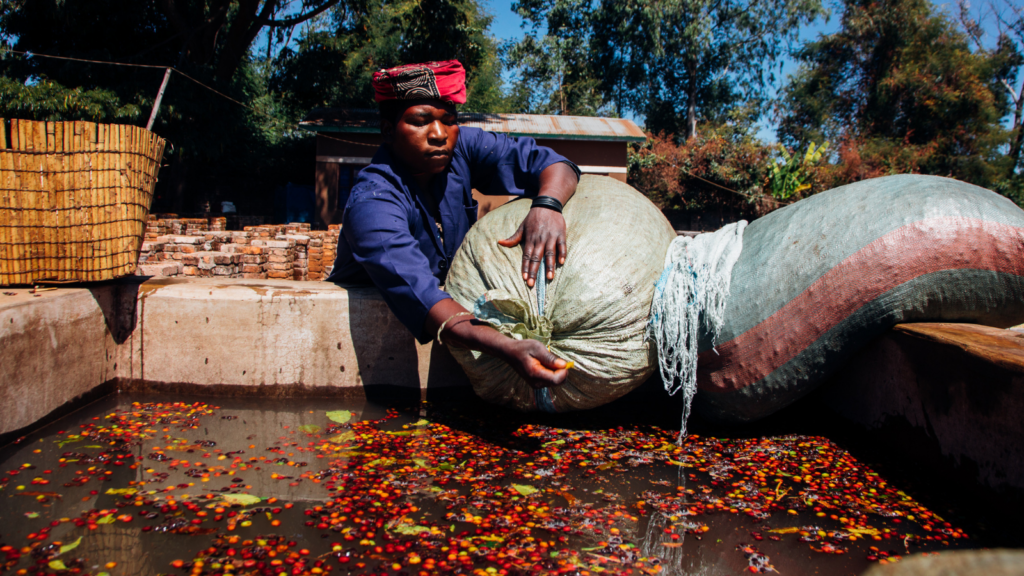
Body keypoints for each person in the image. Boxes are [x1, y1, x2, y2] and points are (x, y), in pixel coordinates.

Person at [327, 60, 580, 390]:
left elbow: (553, 164)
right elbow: (424, 297)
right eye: (421, 122)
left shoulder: (462, 149)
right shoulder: (372, 201)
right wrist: (506, 347)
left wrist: (548, 205)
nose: (438, 134)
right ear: (389, 131)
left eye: (449, 121)